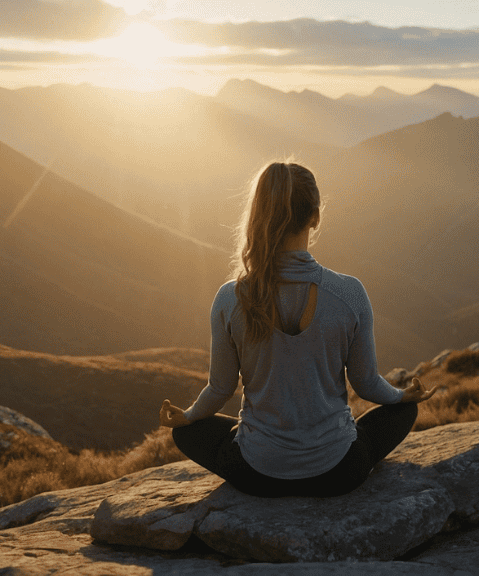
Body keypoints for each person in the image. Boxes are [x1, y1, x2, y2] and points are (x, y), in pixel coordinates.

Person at [159, 162, 436, 498]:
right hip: (339, 471)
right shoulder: (349, 293)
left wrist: (186, 416)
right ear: (315, 217)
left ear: (258, 215)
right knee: (403, 412)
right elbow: (366, 384)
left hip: (255, 474)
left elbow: (220, 389)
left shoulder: (230, 297)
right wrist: (403, 396)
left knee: (187, 433)